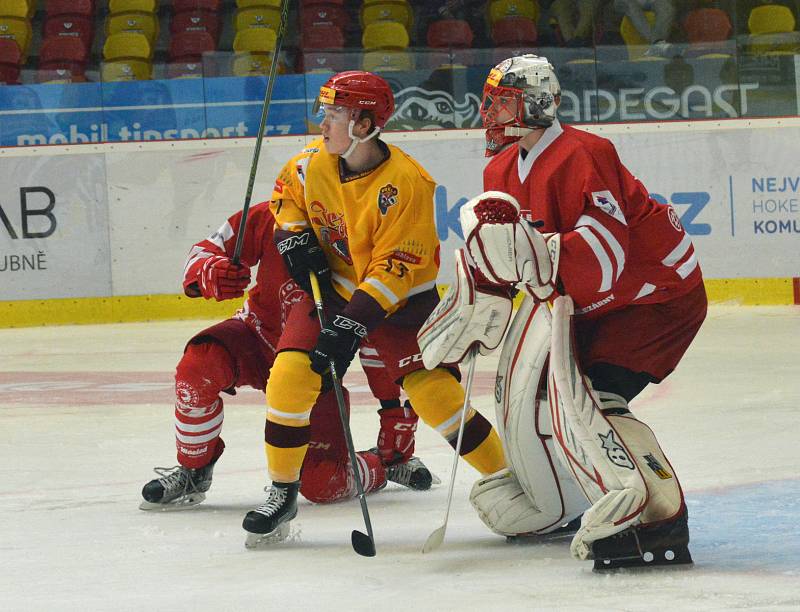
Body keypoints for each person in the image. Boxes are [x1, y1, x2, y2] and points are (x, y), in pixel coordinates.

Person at [418, 54, 706, 570]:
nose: (490, 110)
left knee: (593, 395)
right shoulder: (501, 166)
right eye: (491, 99)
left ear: (537, 102)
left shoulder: (584, 152)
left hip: (654, 297)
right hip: (591, 303)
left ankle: (658, 519)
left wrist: (541, 254)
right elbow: (508, 256)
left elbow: (606, 253)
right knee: (540, 396)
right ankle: (565, 497)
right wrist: (477, 302)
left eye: (502, 99)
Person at [241, 70, 508, 544]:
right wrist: (293, 239)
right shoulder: (311, 164)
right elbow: (285, 201)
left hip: (400, 303)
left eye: (335, 114)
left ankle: (511, 481)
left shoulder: (407, 183)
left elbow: (395, 271)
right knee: (289, 379)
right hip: (334, 289)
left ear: (364, 125)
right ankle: (283, 492)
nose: (323, 123)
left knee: (434, 396)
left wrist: (347, 327)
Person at [139, 200, 435, 515]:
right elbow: (203, 251)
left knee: (323, 483)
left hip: (314, 364)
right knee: (198, 367)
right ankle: (193, 469)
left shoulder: (366, 231)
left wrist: (393, 413)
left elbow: (378, 331)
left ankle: (380, 466)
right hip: (256, 337)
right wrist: (210, 271)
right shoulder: (273, 213)